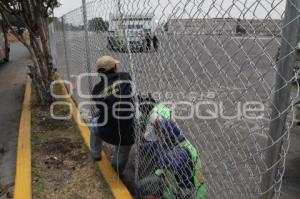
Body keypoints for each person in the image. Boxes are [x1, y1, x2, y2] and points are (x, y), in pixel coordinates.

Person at [137, 119, 208, 199]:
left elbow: (163, 162)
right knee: (142, 186)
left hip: (185, 189)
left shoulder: (181, 152)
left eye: (161, 135)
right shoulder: (176, 141)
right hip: (176, 181)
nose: (160, 138)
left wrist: (158, 150)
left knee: (141, 188)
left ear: (167, 135)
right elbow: (155, 146)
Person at [89, 55, 135, 176]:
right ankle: (116, 170)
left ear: (99, 72)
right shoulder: (125, 77)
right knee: (123, 151)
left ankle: (95, 154)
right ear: (114, 67)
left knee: (94, 123)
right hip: (127, 133)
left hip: (105, 131)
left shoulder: (96, 90)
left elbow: (101, 108)